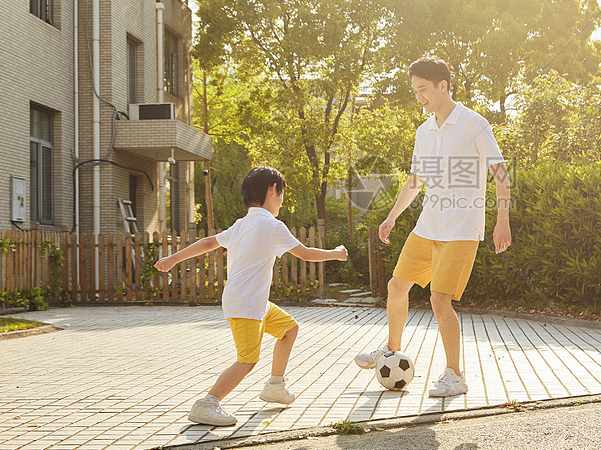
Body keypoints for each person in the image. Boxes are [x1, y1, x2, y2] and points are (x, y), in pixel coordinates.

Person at [354, 57, 512, 397]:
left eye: (423, 89)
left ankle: (455, 375)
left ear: (443, 85)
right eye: (415, 91)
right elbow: (415, 180)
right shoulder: (424, 131)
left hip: (461, 229)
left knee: (440, 301)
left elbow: (500, 173)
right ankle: (391, 350)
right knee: (397, 286)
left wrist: (502, 221)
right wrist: (392, 216)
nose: (419, 97)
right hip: (428, 226)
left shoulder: (474, 124)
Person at [155, 166, 348, 426]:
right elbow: (304, 254)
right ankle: (207, 404)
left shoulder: (242, 224)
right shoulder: (271, 225)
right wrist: (335, 253)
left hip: (252, 302)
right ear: (271, 190)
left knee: (289, 329)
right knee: (247, 360)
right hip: (246, 304)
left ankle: (275, 387)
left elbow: (209, 243)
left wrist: (172, 259)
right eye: (281, 194)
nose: (281, 200)